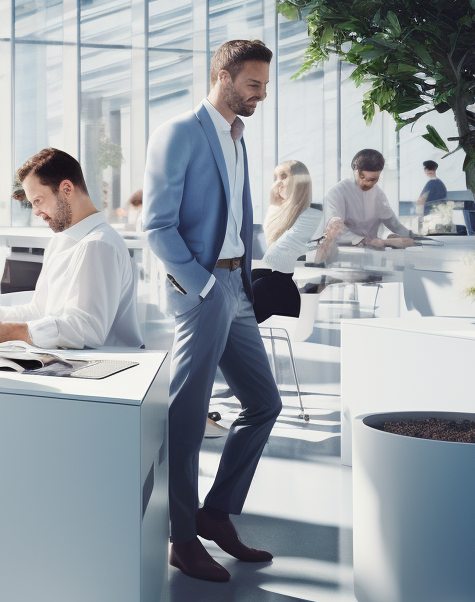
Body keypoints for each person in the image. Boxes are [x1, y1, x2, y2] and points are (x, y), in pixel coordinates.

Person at [142, 39, 282, 583]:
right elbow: (156, 224)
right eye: (254, 84)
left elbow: (236, 219)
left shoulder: (237, 138)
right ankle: (180, 537)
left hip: (237, 286)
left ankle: (215, 514)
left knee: (264, 404)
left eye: (265, 85)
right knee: (187, 418)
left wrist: (248, 277)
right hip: (204, 289)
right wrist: (203, 287)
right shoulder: (180, 132)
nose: (261, 95)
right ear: (222, 77)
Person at [0, 148, 142, 349]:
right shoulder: (61, 242)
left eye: (38, 201)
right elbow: (39, 310)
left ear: (66, 189)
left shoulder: (99, 244)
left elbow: (88, 330)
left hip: (109, 368)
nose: (36, 212)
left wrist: (8, 332)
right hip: (73, 362)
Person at [253, 160, 329, 324]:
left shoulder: (313, 213)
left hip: (286, 288)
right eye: (276, 178)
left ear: (299, 181)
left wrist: (274, 207)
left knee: (254, 285)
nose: (278, 183)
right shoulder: (284, 213)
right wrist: (274, 206)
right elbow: (269, 245)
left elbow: (275, 254)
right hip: (278, 283)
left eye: (284, 176)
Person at [323, 149, 415, 249]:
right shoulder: (337, 193)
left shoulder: (378, 194)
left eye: (373, 180)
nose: (366, 183)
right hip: (345, 251)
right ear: (354, 170)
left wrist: (409, 235)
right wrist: (365, 241)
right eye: (362, 177)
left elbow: (391, 221)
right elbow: (334, 230)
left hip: (373, 251)